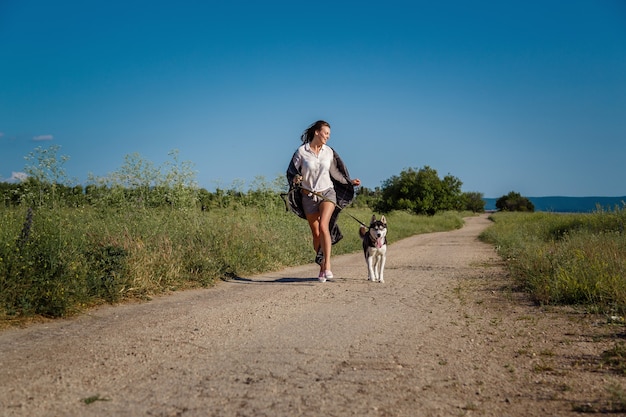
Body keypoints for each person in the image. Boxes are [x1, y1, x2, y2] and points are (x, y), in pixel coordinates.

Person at [286, 120, 361, 282]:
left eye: (329, 134)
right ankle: (321, 265)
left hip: (327, 193)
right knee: (316, 233)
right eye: (326, 133)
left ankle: (327, 266)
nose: (328, 136)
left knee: (323, 225)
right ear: (317, 132)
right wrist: (296, 178)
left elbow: (336, 173)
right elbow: (291, 172)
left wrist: (349, 181)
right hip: (308, 197)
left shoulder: (329, 152)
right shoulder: (301, 152)